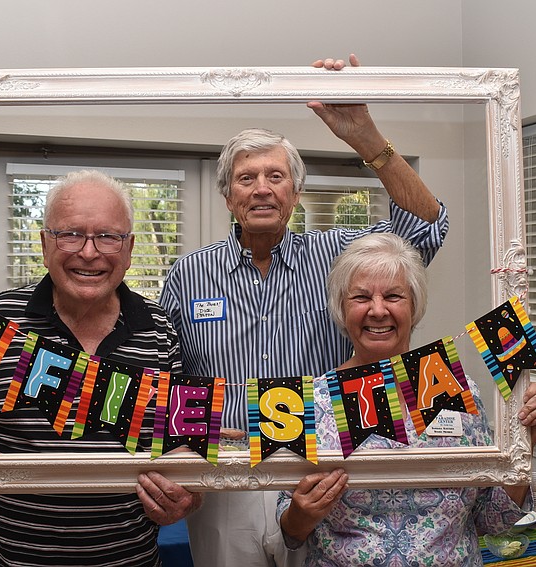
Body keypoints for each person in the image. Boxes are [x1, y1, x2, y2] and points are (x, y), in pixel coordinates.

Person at [158, 55, 449, 567]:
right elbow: (170, 377)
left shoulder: (337, 254)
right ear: (228, 196)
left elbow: (426, 228)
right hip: (232, 474)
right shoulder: (189, 274)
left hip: (329, 466)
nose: (263, 188)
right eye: (247, 179)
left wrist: (363, 135)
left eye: (276, 176)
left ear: (295, 192)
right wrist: (188, 450)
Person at [0, 170, 201, 567]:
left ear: (130, 248)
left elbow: (186, 442)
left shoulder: (160, 329)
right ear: (45, 243)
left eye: (107, 236)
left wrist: (187, 495)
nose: (88, 252)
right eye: (70, 234)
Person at [277, 233, 536, 566]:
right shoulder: (311, 402)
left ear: (414, 306)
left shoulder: (454, 389)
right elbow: (290, 532)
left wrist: (527, 441)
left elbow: (490, 520)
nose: (378, 310)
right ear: (341, 307)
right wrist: (300, 515)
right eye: (361, 297)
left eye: (394, 296)